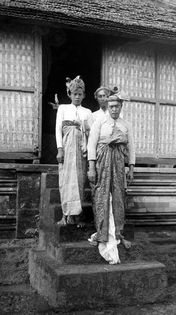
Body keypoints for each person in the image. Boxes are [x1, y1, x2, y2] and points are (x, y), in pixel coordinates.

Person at [87, 93, 135, 264]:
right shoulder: (100, 122)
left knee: (118, 197)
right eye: (111, 106)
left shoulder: (125, 124)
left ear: (121, 107)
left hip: (119, 164)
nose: (114, 109)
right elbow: (91, 144)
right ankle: (102, 232)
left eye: (117, 106)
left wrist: (131, 167)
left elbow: (131, 147)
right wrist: (91, 167)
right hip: (102, 163)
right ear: (107, 106)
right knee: (102, 197)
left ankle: (117, 232)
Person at [55, 75, 94, 227]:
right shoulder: (63, 109)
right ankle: (66, 215)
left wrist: (83, 126)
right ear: (69, 94)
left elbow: (92, 135)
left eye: (80, 94)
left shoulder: (88, 112)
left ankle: (77, 216)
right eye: (74, 94)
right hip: (66, 149)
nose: (77, 97)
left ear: (84, 95)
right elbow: (58, 130)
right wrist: (60, 149)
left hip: (81, 151)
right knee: (65, 181)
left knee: (79, 182)